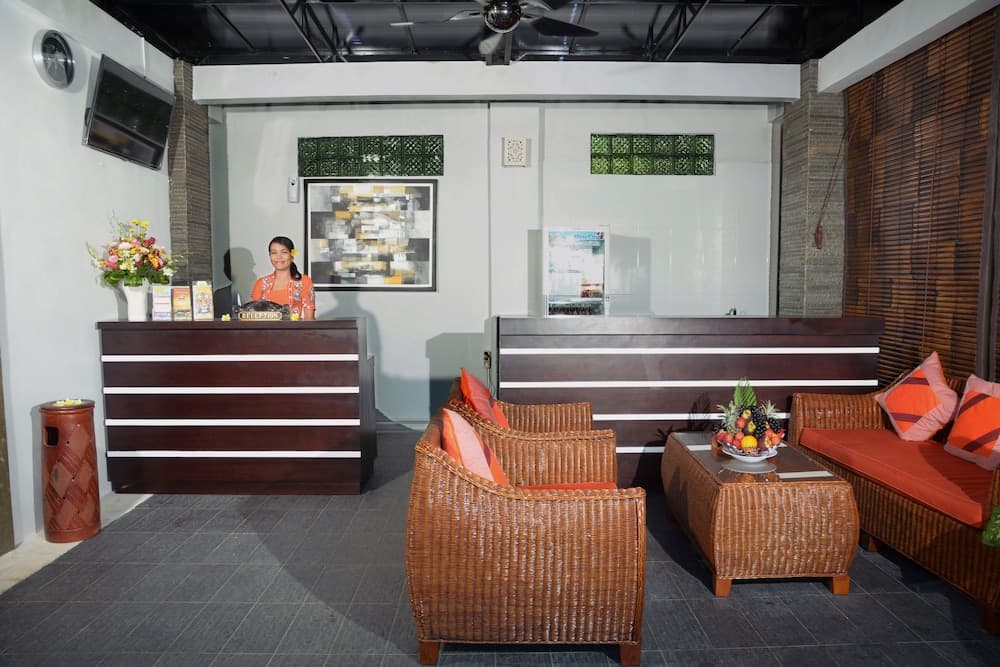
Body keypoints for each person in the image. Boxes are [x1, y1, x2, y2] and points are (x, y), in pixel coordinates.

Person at [250, 236, 316, 320]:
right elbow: (252, 316)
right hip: (265, 329)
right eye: (274, 253)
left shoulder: (304, 281)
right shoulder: (261, 283)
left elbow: (309, 319)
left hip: (296, 329)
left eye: (284, 252)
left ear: (292, 255)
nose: (279, 256)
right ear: (270, 255)